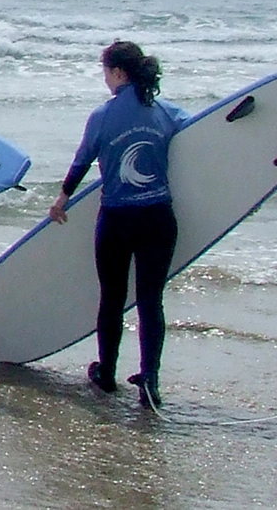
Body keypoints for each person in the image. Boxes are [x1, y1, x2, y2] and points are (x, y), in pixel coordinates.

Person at [50, 41, 188, 408]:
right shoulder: (165, 111)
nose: (105, 79)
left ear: (118, 73)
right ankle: (150, 380)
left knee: (112, 298)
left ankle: (107, 374)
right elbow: (199, 138)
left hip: (117, 218)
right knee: (150, 301)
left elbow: (82, 160)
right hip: (158, 217)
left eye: (106, 72)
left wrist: (62, 199)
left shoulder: (103, 116)